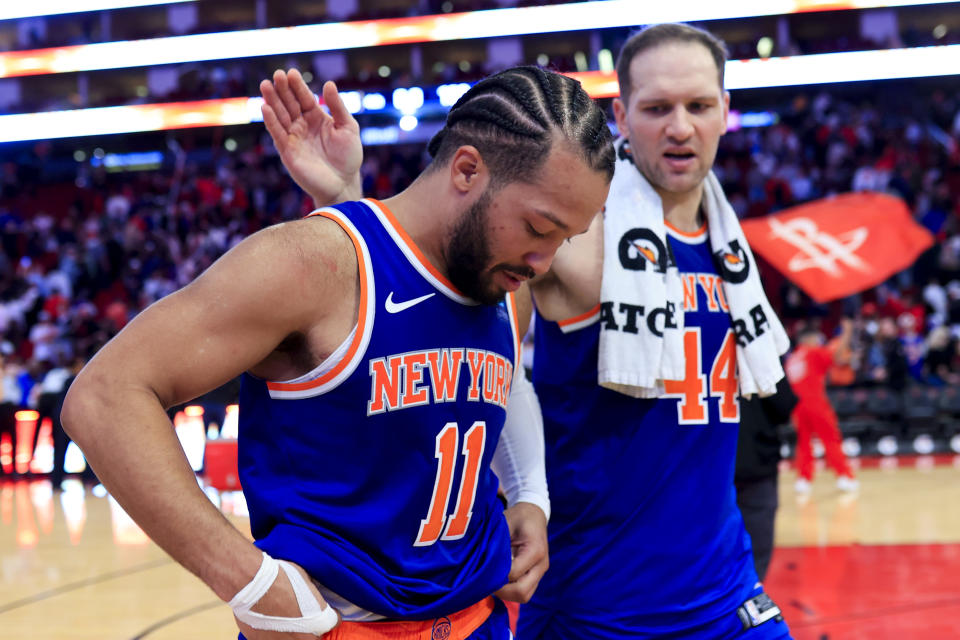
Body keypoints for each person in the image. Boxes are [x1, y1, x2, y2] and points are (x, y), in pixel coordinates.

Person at [277, 23, 794, 639]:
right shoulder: (565, 237)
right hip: (596, 603)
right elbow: (445, 333)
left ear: (724, 114)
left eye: (699, 106)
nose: (680, 126)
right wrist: (346, 196)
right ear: (621, 116)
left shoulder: (731, 247)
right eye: (657, 108)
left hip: (728, 594)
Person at [61, 65, 615, 640]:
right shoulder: (311, 263)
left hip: (480, 618)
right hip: (336, 625)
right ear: (468, 169)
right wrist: (252, 585)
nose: (544, 262)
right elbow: (104, 397)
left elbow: (503, 382)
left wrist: (531, 495)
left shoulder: (505, 282)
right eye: (538, 227)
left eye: (564, 239)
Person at [735, 377, 797, 581]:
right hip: (757, 462)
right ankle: (750, 600)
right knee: (757, 546)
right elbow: (783, 405)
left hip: (711, 465)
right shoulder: (760, 346)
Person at [785, 320, 858, 493]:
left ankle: (803, 479)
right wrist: (847, 333)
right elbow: (838, 357)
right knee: (830, 439)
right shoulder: (812, 352)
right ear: (809, 339)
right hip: (816, 403)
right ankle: (844, 476)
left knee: (803, 443)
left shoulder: (793, 358)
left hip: (797, 407)